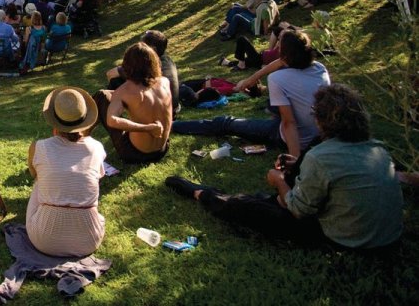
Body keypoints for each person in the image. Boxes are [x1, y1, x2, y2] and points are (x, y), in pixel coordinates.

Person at [165, 84, 403, 250]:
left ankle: (201, 193)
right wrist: (297, 165)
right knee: (265, 198)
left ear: (321, 118)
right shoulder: (377, 148)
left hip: (345, 239)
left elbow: (298, 211)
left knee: (247, 207)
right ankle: (223, 194)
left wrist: (278, 180)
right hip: (387, 236)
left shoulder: (322, 156)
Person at [173, 29, 330, 158]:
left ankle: (173, 126)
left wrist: (294, 159)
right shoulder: (319, 68)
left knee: (225, 123)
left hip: (293, 137)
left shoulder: (278, 78)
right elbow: (282, 62)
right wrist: (252, 78)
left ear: (284, 53)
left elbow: (289, 123)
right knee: (274, 104)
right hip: (317, 133)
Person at [26, 86, 106, 257]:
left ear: (54, 120)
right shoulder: (96, 148)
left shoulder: (40, 147)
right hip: (89, 240)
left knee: (39, 181)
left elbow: (34, 175)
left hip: (44, 241)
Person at [94, 42, 172, 164]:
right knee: (108, 95)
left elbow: (111, 120)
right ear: (154, 62)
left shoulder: (124, 91)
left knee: (101, 95)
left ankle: (80, 131)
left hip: (135, 154)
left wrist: (148, 128)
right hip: (162, 150)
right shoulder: (165, 82)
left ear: (126, 65)